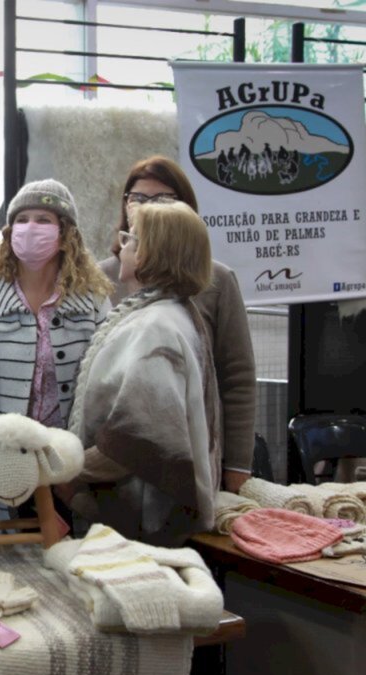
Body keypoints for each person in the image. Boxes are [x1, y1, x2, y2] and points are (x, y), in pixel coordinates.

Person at [99, 155, 256, 493]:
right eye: (137, 198)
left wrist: (237, 465)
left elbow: (238, 378)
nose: (145, 208)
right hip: (111, 461)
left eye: (162, 199)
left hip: (190, 456)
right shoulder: (99, 278)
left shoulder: (217, 280)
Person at [68, 200, 221, 547]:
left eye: (131, 240)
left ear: (155, 253)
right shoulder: (170, 313)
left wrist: (65, 473)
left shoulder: (156, 326)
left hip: (141, 520)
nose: (122, 247)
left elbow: (139, 438)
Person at [0, 179, 113, 428]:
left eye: (43, 220)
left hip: (69, 450)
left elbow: (106, 378)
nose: (30, 228)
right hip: (5, 447)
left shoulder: (94, 300)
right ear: (10, 232)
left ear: (65, 235)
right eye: (22, 219)